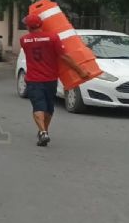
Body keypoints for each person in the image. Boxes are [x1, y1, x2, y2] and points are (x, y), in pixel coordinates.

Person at [19, 14, 89, 147]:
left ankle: (43, 132)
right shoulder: (52, 38)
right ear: (41, 25)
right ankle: (44, 131)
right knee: (49, 107)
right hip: (50, 78)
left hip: (34, 79)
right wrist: (80, 71)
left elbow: (33, 42)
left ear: (28, 26)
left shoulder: (24, 40)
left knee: (38, 106)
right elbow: (64, 57)